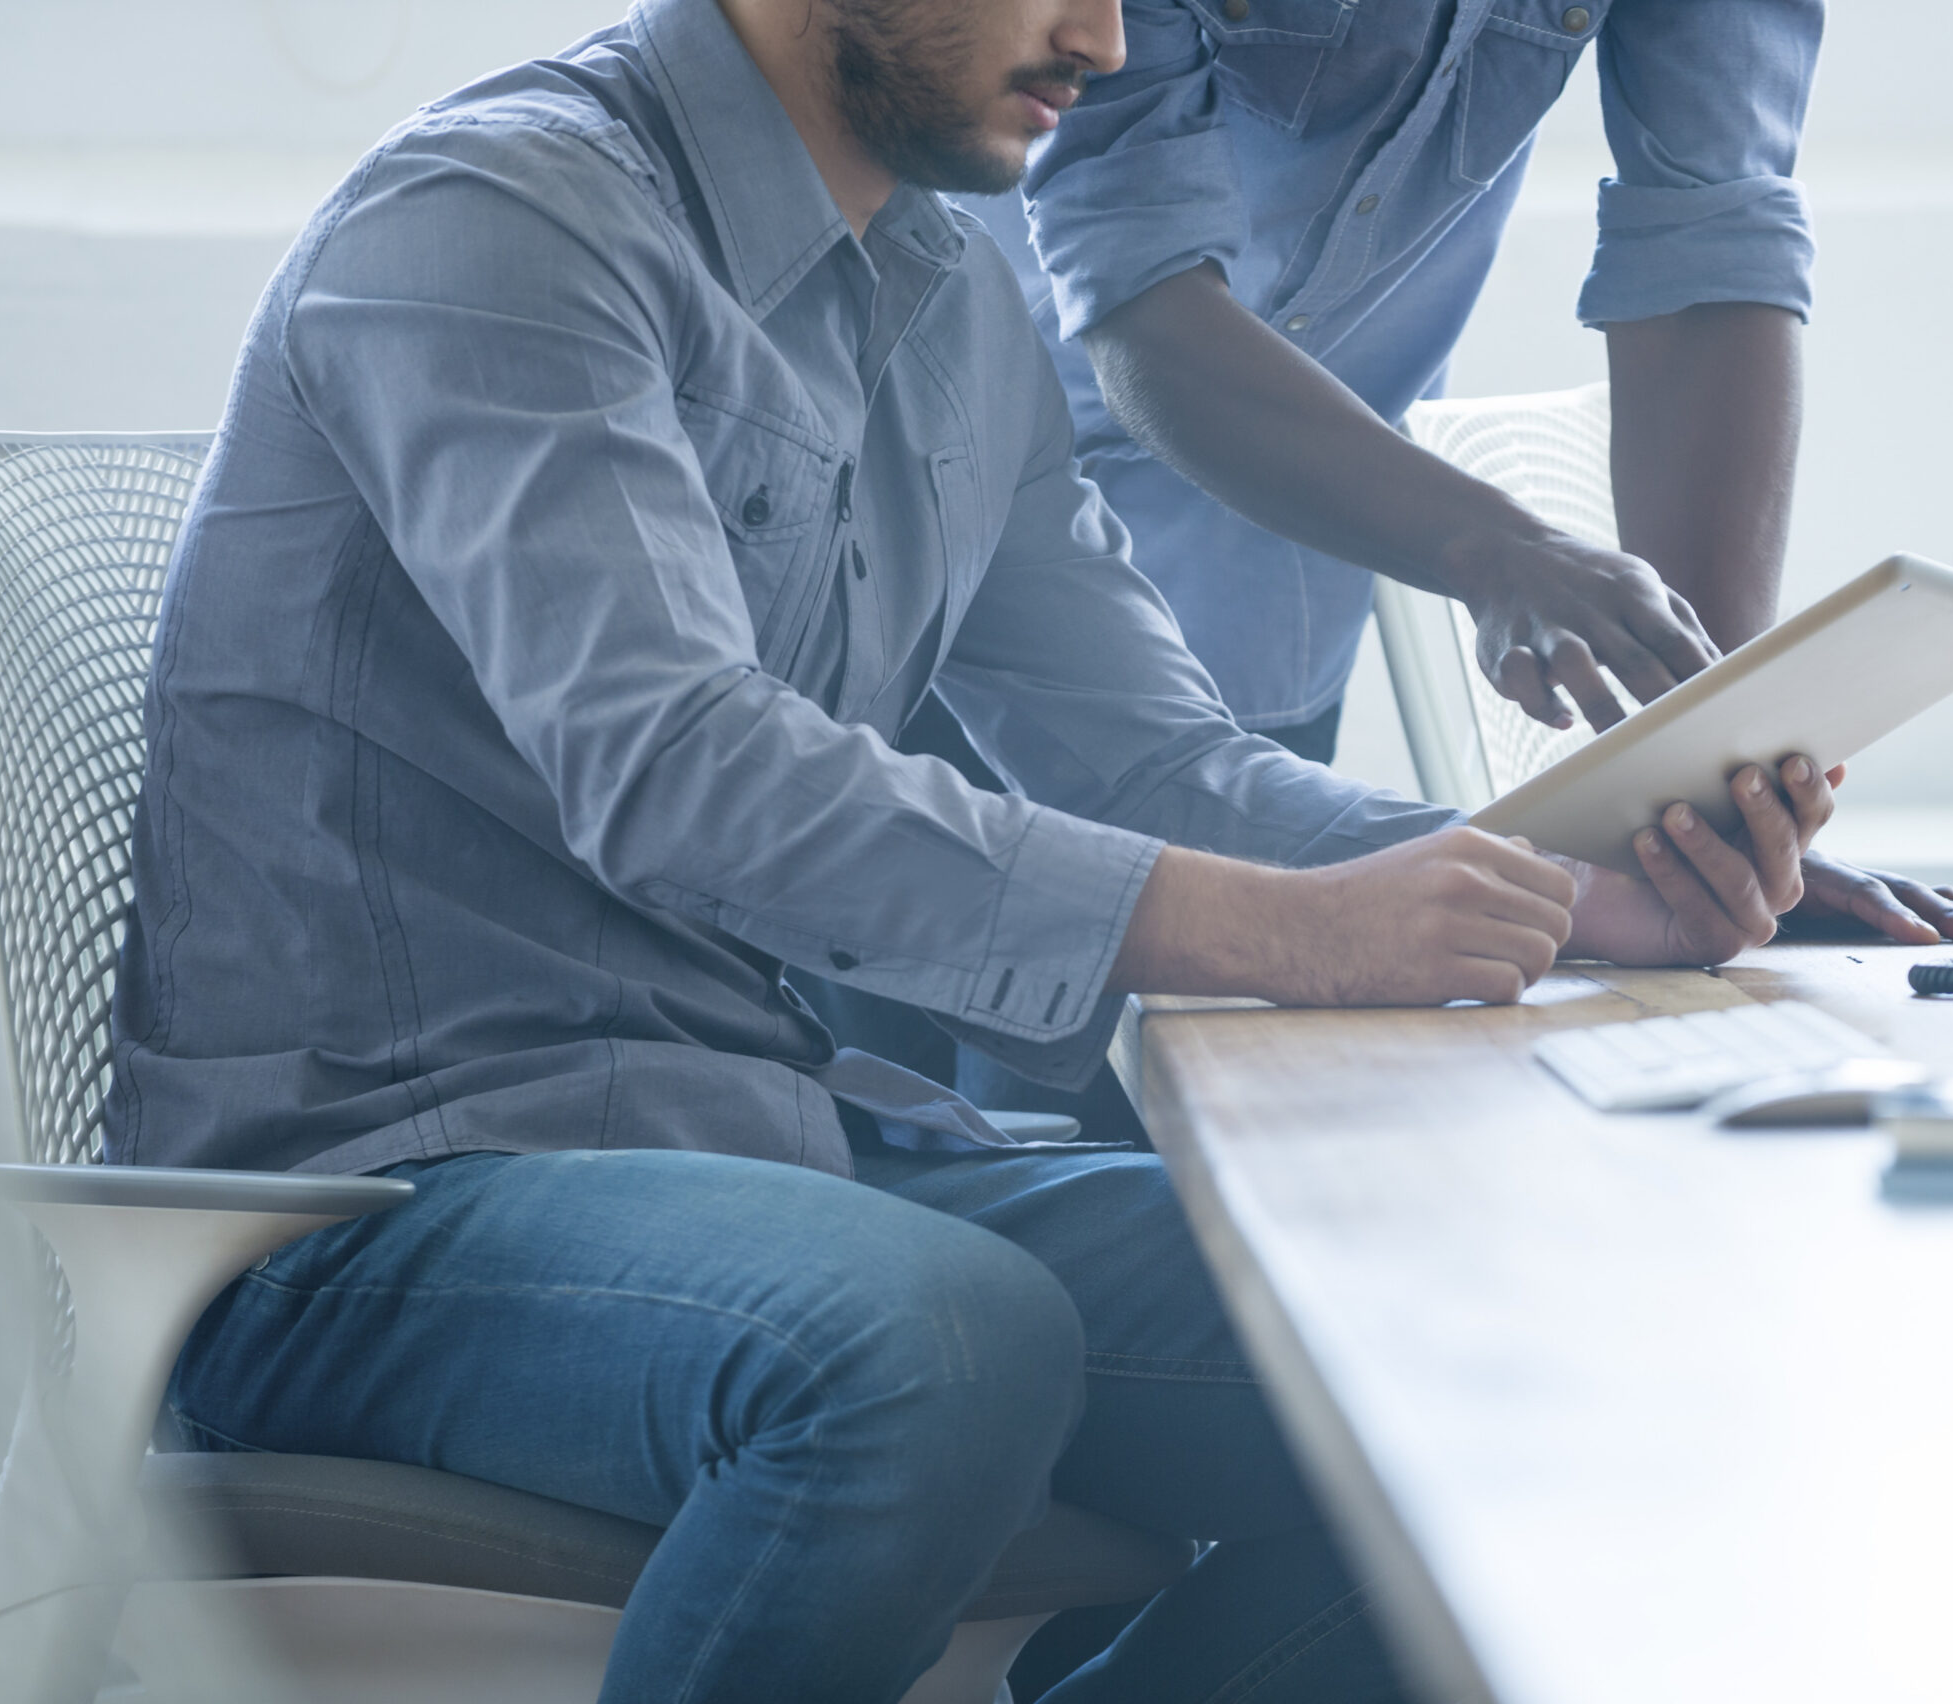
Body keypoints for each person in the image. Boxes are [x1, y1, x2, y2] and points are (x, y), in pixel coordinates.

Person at [108, 0, 1837, 1697]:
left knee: (1505, 1326)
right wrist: (1295, 933)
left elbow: (1152, 758)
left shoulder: (944, 294)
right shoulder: (498, 219)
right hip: (376, 1206)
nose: (1106, 38)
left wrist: (1574, 890)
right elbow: (676, 764)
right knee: (935, 1338)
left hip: (770, 1135)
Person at [957, 0, 1953, 948]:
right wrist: (1498, 549)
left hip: (1269, 586)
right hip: (945, 542)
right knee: (929, 1112)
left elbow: (1715, 241)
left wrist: (1699, 808)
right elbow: (1137, 288)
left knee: (1219, 1093)